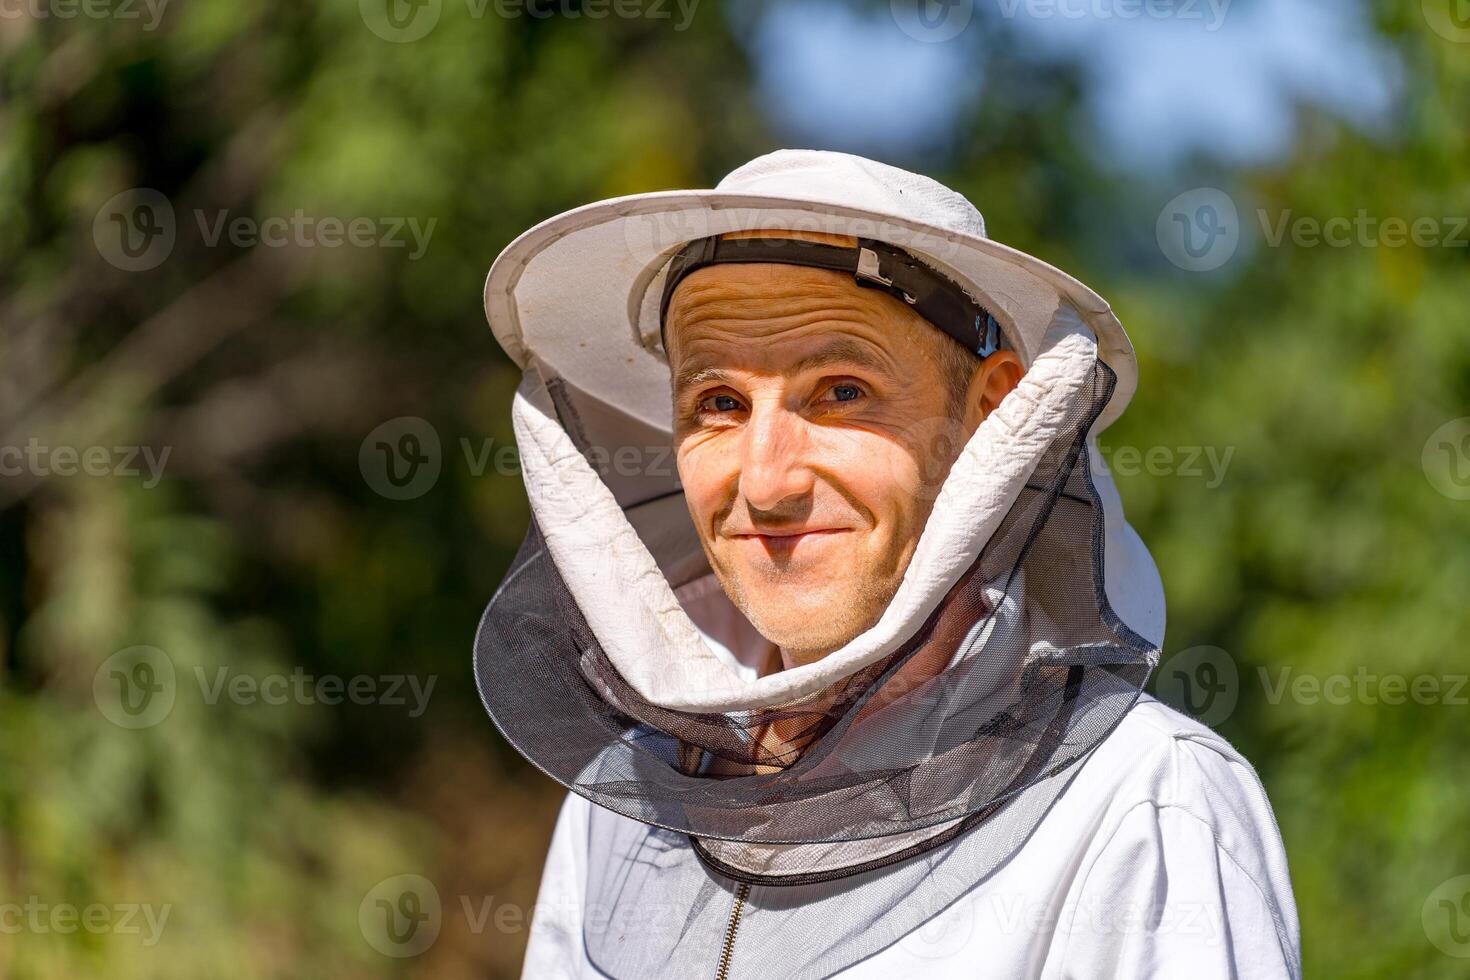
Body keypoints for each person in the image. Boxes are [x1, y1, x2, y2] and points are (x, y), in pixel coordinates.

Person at [473, 149, 1300, 978]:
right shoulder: (622, 816)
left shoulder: (1141, 804)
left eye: (840, 392)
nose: (765, 482)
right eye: (718, 404)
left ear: (989, 416)